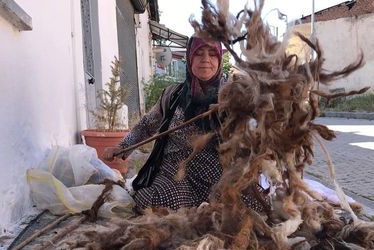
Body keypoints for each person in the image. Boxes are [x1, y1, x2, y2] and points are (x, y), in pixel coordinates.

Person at [104, 36, 265, 212]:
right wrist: (122, 147)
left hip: (220, 172)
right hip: (177, 171)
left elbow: (259, 127)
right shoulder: (173, 96)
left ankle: (206, 210)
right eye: (198, 54)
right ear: (189, 58)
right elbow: (146, 125)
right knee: (157, 204)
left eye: (212, 54)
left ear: (219, 59)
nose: (205, 60)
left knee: (255, 206)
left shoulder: (235, 95)